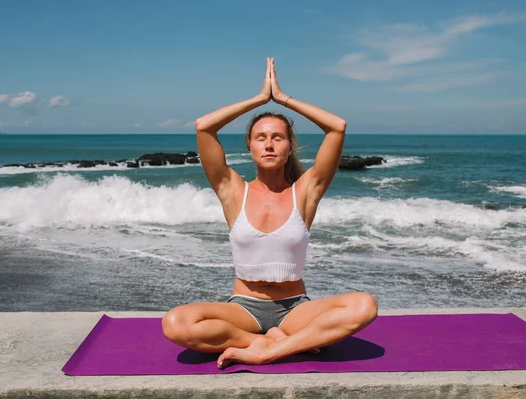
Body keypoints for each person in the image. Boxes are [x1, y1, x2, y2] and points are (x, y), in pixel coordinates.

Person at [162, 57, 378, 368]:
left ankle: (270, 351)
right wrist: (259, 99)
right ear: (249, 147)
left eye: (278, 138)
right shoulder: (233, 190)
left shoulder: (305, 191)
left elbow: (337, 127)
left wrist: (284, 99)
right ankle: (266, 342)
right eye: (260, 138)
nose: (269, 144)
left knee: (364, 306)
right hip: (243, 309)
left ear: (290, 146)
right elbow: (203, 127)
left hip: (294, 309)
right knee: (176, 323)